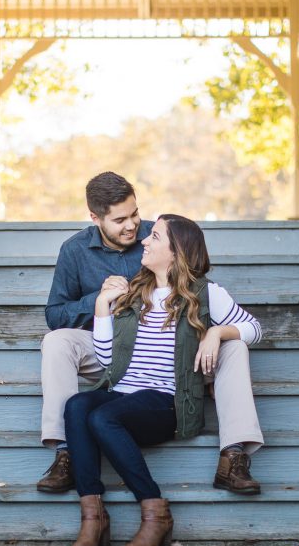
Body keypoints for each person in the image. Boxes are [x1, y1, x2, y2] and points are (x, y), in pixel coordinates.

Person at [37, 172, 264, 497]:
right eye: (119, 220)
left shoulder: (158, 237)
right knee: (56, 341)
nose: (133, 227)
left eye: (135, 214)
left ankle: (233, 456)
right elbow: (55, 315)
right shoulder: (74, 250)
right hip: (108, 350)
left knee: (235, 346)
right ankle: (68, 451)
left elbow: (193, 289)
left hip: (173, 356)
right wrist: (100, 299)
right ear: (95, 218)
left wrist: (215, 332)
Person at [64, 214, 263, 546]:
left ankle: (155, 512)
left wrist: (217, 331)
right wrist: (101, 305)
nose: (144, 241)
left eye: (154, 237)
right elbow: (108, 359)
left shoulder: (206, 294)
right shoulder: (135, 292)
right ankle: (93, 517)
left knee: (102, 418)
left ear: (176, 251)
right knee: (77, 405)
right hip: (124, 394)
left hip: (166, 402)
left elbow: (254, 329)